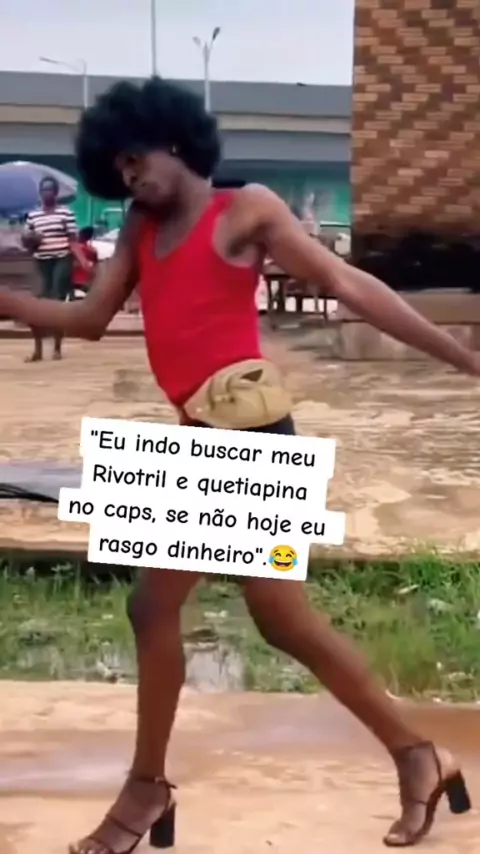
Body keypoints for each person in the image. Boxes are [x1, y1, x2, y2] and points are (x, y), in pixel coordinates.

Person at [0, 77, 475, 854]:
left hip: (255, 440)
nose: (130, 176)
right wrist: (10, 303)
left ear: (173, 139)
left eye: (136, 159)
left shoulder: (245, 209)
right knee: (250, 619)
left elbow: (347, 284)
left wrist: (461, 356)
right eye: (118, 170)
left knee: (188, 612)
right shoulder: (140, 229)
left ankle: (151, 791)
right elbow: (87, 319)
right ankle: (414, 755)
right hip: (197, 439)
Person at [22, 176, 88, 361]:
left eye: (50, 190)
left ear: (56, 193)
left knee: (57, 301)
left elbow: (73, 241)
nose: (47, 193)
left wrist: (83, 261)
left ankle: (57, 348)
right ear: (40, 193)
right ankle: (38, 350)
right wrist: (31, 239)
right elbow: (26, 242)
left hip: (61, 259)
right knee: (36, 305)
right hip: (41, 261)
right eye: (44, 190)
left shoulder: (65, 214)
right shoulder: (33, 216)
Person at [72, 226, 99, 298]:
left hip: (72, 281)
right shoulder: (92, 250)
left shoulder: (72, 250)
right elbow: (95, 266)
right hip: (87, 282)